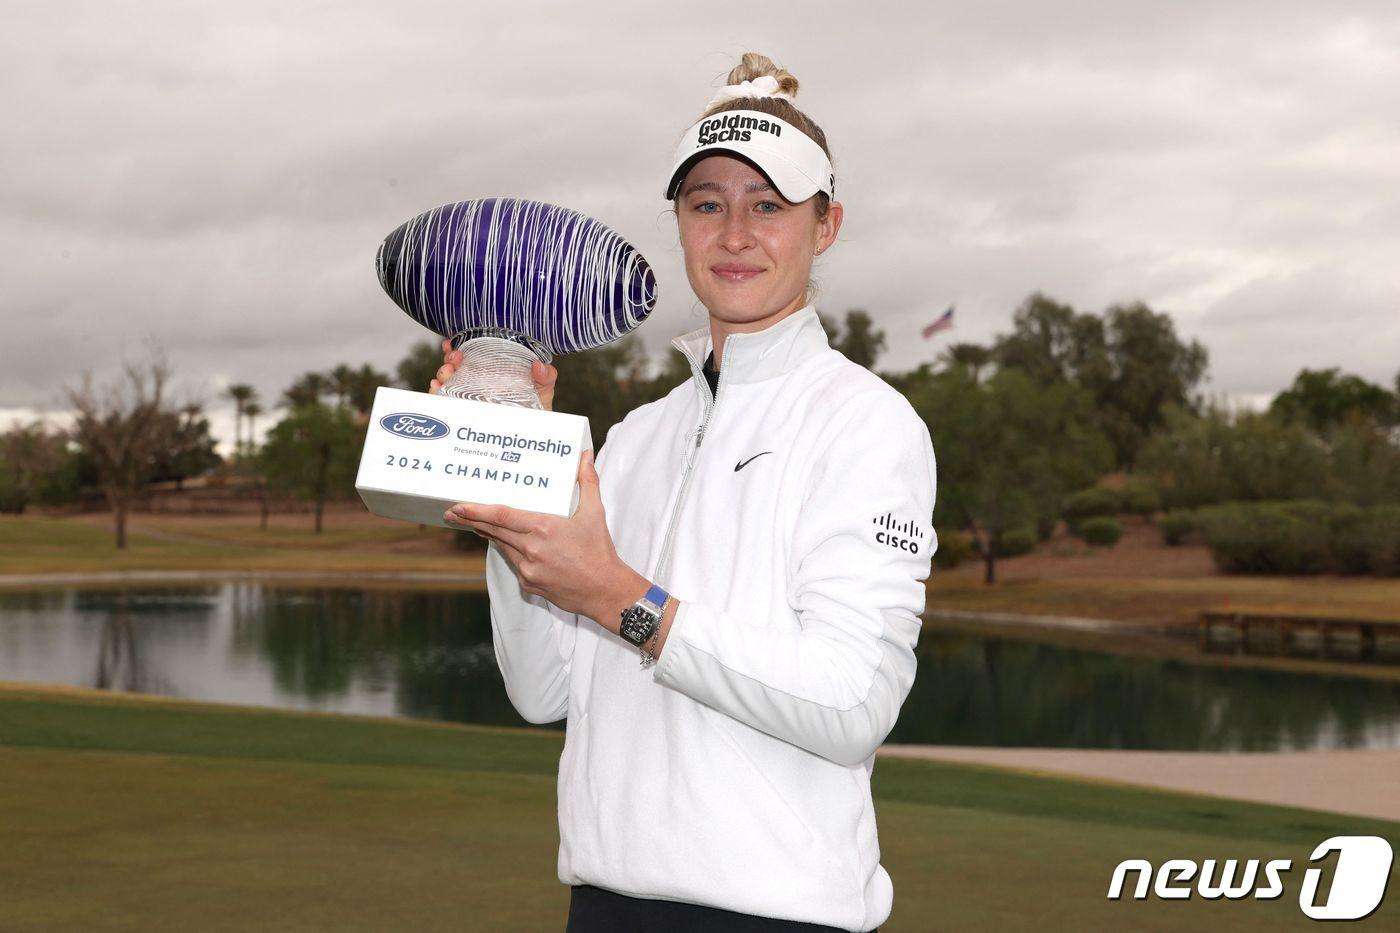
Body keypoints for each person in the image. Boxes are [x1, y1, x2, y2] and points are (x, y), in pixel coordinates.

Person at [437, 52, 937, 933]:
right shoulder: (633, 438)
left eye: (768, 206)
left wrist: (620, 597)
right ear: (678, 222)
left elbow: (852, 702)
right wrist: (509, 475)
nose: (735, 233)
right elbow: (541, 691)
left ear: (826, 226)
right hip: (602, 907)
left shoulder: (867, 423)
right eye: (707, 203)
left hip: (777, 918)